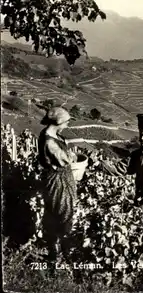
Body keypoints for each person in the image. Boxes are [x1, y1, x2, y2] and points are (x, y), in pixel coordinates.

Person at [93, 126, 143, 266]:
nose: (142, 138)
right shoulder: (137, 155)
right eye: (141, 136)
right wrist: (100, 165)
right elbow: (120, 169)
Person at [38, 107, 78, 262]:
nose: (68, 125)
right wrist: (72, 156)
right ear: (59, 122)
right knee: (62, 213)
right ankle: (58, 252)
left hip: (62, 179)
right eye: (67, 122)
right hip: (57, 182)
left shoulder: (54, 135)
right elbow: (65, 159)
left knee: (59, 212)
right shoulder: (49, 142)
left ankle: (57, 249)